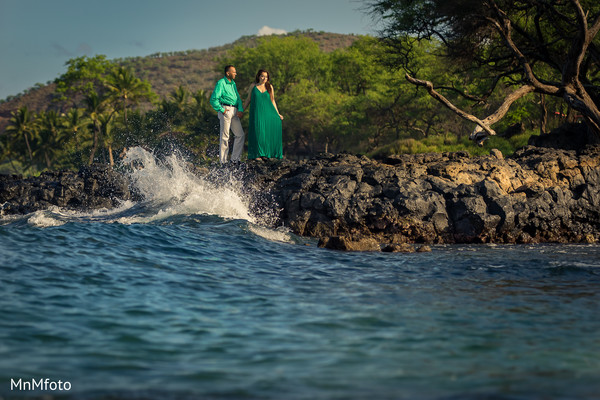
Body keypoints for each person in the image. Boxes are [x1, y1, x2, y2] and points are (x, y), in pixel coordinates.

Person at [243, 69, 283, 160]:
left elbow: (273, 101)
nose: (264, 78)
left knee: (266, 133)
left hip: (268, 113)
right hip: (256, 113)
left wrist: (278, 113)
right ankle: (257, 154)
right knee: (258, 132)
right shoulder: (253, 86)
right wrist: (242, 110)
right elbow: (248, 99)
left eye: (266, 77)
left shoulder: (270, 87)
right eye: (262, 76)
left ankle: (266, 153)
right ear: (258, 76)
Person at [209, 65, 245, 164]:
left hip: (234, 110)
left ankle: (235, 160)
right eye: (234, 72)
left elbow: (238, 98)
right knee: (225, 136)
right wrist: (222, 110)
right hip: (226, 109)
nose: (235, 74)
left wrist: (240, 109)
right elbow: (213, 99)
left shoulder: (233, 84)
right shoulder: (221, 83)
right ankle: (223, 162)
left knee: (240, 135)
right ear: (228, 73)